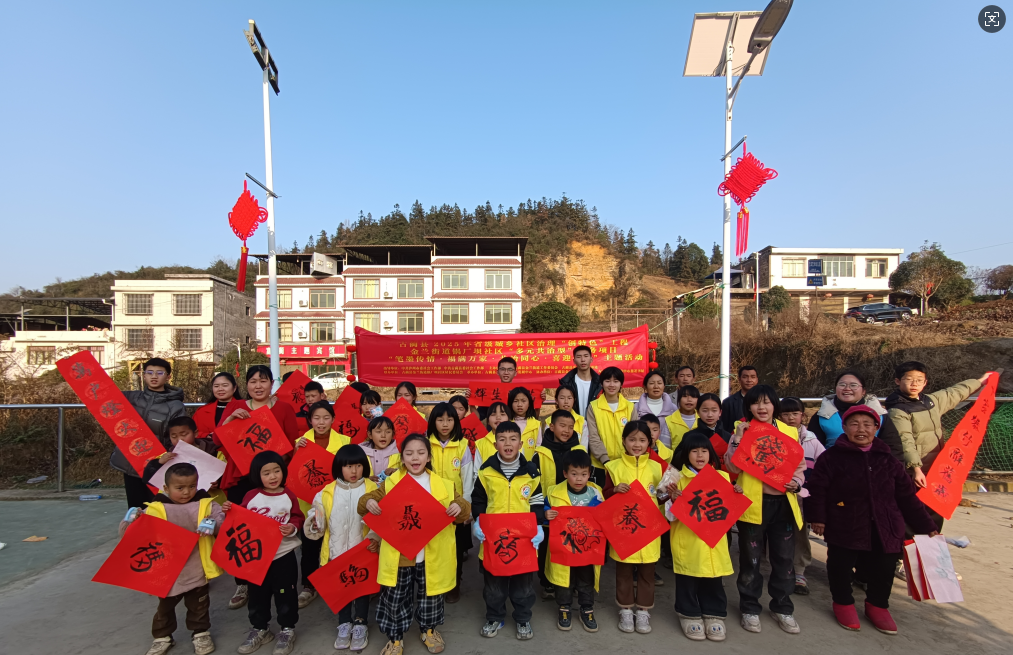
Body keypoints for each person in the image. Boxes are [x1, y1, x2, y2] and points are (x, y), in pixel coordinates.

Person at [807, 405, 939, 635]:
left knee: (884, 567)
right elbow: (817, 490)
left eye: (867, 424)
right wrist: (818, 518)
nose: (861, 429)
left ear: (876, 428)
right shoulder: (831, 458)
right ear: (844, 427)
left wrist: (927, 526)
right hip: (844, 522)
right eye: (854, 424)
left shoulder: (889, 460)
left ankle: (878, 605)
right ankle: (843, 602)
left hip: (885, 525)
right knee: (840, 565)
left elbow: (907, 498)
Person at [359, 433, 470, 655]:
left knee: (431, 596)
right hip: (400, 554)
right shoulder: (391, 483)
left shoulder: (443, 485)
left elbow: (464, 508)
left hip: (431, 554)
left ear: (428, 457)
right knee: (395, 597)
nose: (415, 458)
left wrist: (459, 507)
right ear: (402, 458)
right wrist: (369, 502)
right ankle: (396, 638)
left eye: (421, 453)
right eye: (409, 453)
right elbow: (364, 503)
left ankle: (428, 630)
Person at [216, 365, 301, 610]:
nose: (258, 386)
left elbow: (291, 443)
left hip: (273, 477)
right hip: (241, 477)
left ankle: (273, 577)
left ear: (272, 384)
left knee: (272, 525)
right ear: (246, 385)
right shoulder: (235, 407)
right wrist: (230, 420)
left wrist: (276, 469)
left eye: (263, 381)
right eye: (253, 381)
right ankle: (242, 582)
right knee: (241, 529)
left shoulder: (283, 408)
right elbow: (218, 440)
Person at [724, 385, 805, 635]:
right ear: (748, 407)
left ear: (774, 405)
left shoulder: (789, 431)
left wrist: (797, 482)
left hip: (783, 503)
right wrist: (738, 438)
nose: (762, 407)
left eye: (767, 402)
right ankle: (750, 607)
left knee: (784, 559)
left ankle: (783, 607)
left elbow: (799, 465)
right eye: (756, 403)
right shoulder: (742, 430)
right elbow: (732, 467)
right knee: (751, 560)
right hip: (753, 504)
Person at [122, 462, 223, 655]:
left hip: (197, 565)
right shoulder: (155, 509)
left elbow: (221, 521)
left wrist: (213, 523)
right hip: (168, 569)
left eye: (192, 486)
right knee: (165, 607)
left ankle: (200, 633)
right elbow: (130, 535)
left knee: (199, 605)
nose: (186, 492)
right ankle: (162, 636)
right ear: (166, 488)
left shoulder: (206, 504)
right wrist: (130, 520)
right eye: (180, 488)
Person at [886, 363, 989, 527]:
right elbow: (905, 441)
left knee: (934, 510)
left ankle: (933, 540)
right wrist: (916, 469)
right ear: (898, 381)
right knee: (914, 511)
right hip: (915, 471)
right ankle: (911, 542)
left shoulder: (931, 401)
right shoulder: (897, 410)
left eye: (919, 379)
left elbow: (954, 392)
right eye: (909, 379)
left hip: (936, 469)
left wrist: (981, 381)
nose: (914, 383)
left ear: (925, 382)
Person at [222, 451, 304, 655]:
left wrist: (292, 527)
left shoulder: (288, 495)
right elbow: (240, 518)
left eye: (277, 471)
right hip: (256, 557)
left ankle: (287, 629)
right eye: (266, 473)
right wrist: (229, 510)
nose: (273, 476)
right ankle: (260, 629)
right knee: (258, 594)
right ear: (257, 475)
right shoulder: (251, 496)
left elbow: (297, 517)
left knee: (286, 593)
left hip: (283, 554)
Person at [471, 421, 545, 641]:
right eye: (502, 440)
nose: (508, 444)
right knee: (494, 586)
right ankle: (494, 617)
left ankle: (522, 618)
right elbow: (478, 500)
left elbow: (537, 501)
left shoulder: (531, 472)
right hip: (494, 539)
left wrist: (538, 526)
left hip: (524, 540)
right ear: (495, 445)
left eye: (513, 439)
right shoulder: (486, 471)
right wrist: (478, 521)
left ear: (521, 444)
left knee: (523, 586)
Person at [304, 445, 378, 652]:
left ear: (365, 467)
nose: (354, 471)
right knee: (342, 590)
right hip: (336, 553)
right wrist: (314, 522)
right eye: (348, 466)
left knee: (361, 590)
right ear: (339, 467)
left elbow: (381, 519)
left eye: (358, 466)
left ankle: (361, 624)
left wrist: (375, 538)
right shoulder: (327, 493)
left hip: (362, 552)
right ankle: (344, 624)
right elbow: (316, 520)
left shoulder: (373, 489)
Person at [661, 431, 731, 642]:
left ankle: (714, 614)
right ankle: (688, 613)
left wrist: (736, 493)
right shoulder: (675, 479)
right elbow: (669, 517)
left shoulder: (722, 477)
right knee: (688, 578)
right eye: (694, 451)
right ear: (686, 454)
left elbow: (729, 513)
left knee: (713, 578)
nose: (700, 456)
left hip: (714, 542)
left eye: (704, 451)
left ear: (711, 454)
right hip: (688, 540)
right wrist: (673, 500)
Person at [603, 421, 663, 634]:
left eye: (642, 440)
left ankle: (644, 611)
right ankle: (626, 609)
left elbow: (662, 497)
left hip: (649, 529)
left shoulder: (657, 467)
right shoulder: (613, 467)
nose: (637, 444)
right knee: (624, 572)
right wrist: (614, 491)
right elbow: (604, 495)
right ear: (623, 441)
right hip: (624, 529)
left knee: (647, 572)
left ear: (650, 442)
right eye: (632, 439)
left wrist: (670, 493)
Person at [294, 400, 350, 608]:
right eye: (316, 418)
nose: (321, 422)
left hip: (336, 499)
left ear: (333, 419)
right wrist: (296, 451)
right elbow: (293, 473)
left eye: (326, 417)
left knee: (337, 542)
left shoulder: (344, 441)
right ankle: (308, 585)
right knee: (310, 544)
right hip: (309, 502)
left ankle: (338, 581)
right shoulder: (301, 442)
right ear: (309, 420)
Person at [114, 357, 187, 508]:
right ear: (144, 375)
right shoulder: (132, 397)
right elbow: (103, 396)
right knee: (135, 509)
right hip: (130, 462)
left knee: (156, 508)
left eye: (159, 373)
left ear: (168, 377)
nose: (154, 376)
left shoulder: (175, 406)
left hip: (158, 464)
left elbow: (179, 437)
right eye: (149, 372)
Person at [543, 449, 602, 633]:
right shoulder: (554, 492)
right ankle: (564, 607)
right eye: (574, 474)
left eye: (583, 474)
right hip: (564, 547)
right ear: (565, 473)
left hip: (587, 548)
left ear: (589, 474)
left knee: (586, 578)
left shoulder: (595, 493)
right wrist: (546, 514)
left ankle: (587, 608)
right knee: (564, 579)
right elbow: (544, 510)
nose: (579, 479)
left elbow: (604, 515)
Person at [531, 409, 585, 597]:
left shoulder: (579, 451)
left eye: (571, 427)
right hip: (549, 512)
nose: (567, 430)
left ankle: (572, 583)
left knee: (573, 545)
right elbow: (534, 486)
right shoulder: (539, 454)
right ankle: (547, 583)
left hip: (574, 511)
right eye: (562, 426)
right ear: (552, 426)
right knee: (548, 548)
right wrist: (540, 511)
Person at [426, 402, 474, 604]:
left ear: (456, 422)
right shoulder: (426, 444)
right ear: (433, 422)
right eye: (440, 419)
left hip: (455, 508)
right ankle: (434, 585)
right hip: (430, 507)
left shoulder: (462, 446)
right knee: (433, 549)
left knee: (455, 549)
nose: (445, 424)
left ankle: (454, 584)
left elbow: (468, 479)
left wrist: (466, 508)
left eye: (449, 419)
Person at [779, 397, 825, 596]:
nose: (790, 418)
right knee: (778, 534)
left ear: (802, 416)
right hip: (777, 495)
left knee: (800, 534)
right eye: (786, 414)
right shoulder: (773, 438)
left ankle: (799, 571)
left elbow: (823, 466)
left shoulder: (811, 441)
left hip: (801, 496)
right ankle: (780, 569)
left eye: (795, 413)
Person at [807, 371, 903, 458]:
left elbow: (894, 446)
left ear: (863, 391)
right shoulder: (821, 415)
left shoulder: (880, 414)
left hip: (874, 466)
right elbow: (812, 449)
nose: (847, 389)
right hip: (833, 467)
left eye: (853, 385)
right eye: (842, 385)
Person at [586, 367, 640, 477]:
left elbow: (635, 436)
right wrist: (605, 460)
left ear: (621, 384)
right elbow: (593, 437)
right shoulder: (593, 407)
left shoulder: (629, 407)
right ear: (602, 383)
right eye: (607, 381)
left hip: (625, 464)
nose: (611, 385)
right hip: (600, 465)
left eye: (615, 381)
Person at [142, 416, 218, 488]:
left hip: (206, 496)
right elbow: (148, 479)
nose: (179, 439)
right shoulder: (167, 456)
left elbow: (222, 476)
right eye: (174, 436)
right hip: (175, 496)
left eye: (184, 435)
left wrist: (217, 483)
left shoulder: (213, 451)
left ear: (195, 433)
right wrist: (158, 463)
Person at [193, 372, 243, 440]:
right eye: (216, 386)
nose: (220, 389)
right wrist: (206, 435)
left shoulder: (245, 408)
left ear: (234, 388)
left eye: (225, 385)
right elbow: (191, 433)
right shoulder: (201, 411)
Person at [635, 371, 677, 447]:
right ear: (645, 387)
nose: (656, 386)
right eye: (651, 383)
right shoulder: (636, 408)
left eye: (659, 383)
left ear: (664, 386)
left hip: (667, 450)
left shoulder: (673, 408)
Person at [558, 346, 601, 417]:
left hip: (595, 422)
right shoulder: (566, 382)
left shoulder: (600, 383)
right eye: (579, 357)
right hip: (573, 422)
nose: (583, 360)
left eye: (586, 356)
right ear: (574, 361)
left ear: (591, 359)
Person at [359, 416, 401, 483]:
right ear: (370, 435)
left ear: (392, 435)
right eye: (378, 432)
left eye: (388, 432)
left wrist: (396, 471)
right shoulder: (360, 454)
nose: (383, 435)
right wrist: (365, 480)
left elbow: (404, 473)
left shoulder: (399, 456)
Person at [474, 401, 510, 473]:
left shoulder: (517, 441)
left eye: (502, 414)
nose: (498, 417)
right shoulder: (481, 443)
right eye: (493, 414)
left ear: (509, 419)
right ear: (488, 421)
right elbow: (477, 471)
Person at [720, 366, 758, 432]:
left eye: (753, 377)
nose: (749, 380)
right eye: (745, 377)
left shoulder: (765, 401)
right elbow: (724, 428)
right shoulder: (728, 402)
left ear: (757, 379)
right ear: (739, 379)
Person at [507, 387, 541, 460]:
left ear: (529, 403)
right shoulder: (506, 423)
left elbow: (538, 447)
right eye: (515, 401)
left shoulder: (536, 424)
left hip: (530, 464)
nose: (519, 404)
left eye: (523, 401)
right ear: (510, 403)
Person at [665, 385, 701, 451]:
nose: (689, 400)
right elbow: (665, 449)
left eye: (693, 396)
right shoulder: (669, 421)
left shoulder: (703, 419)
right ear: (679, 400)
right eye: (685, 396)